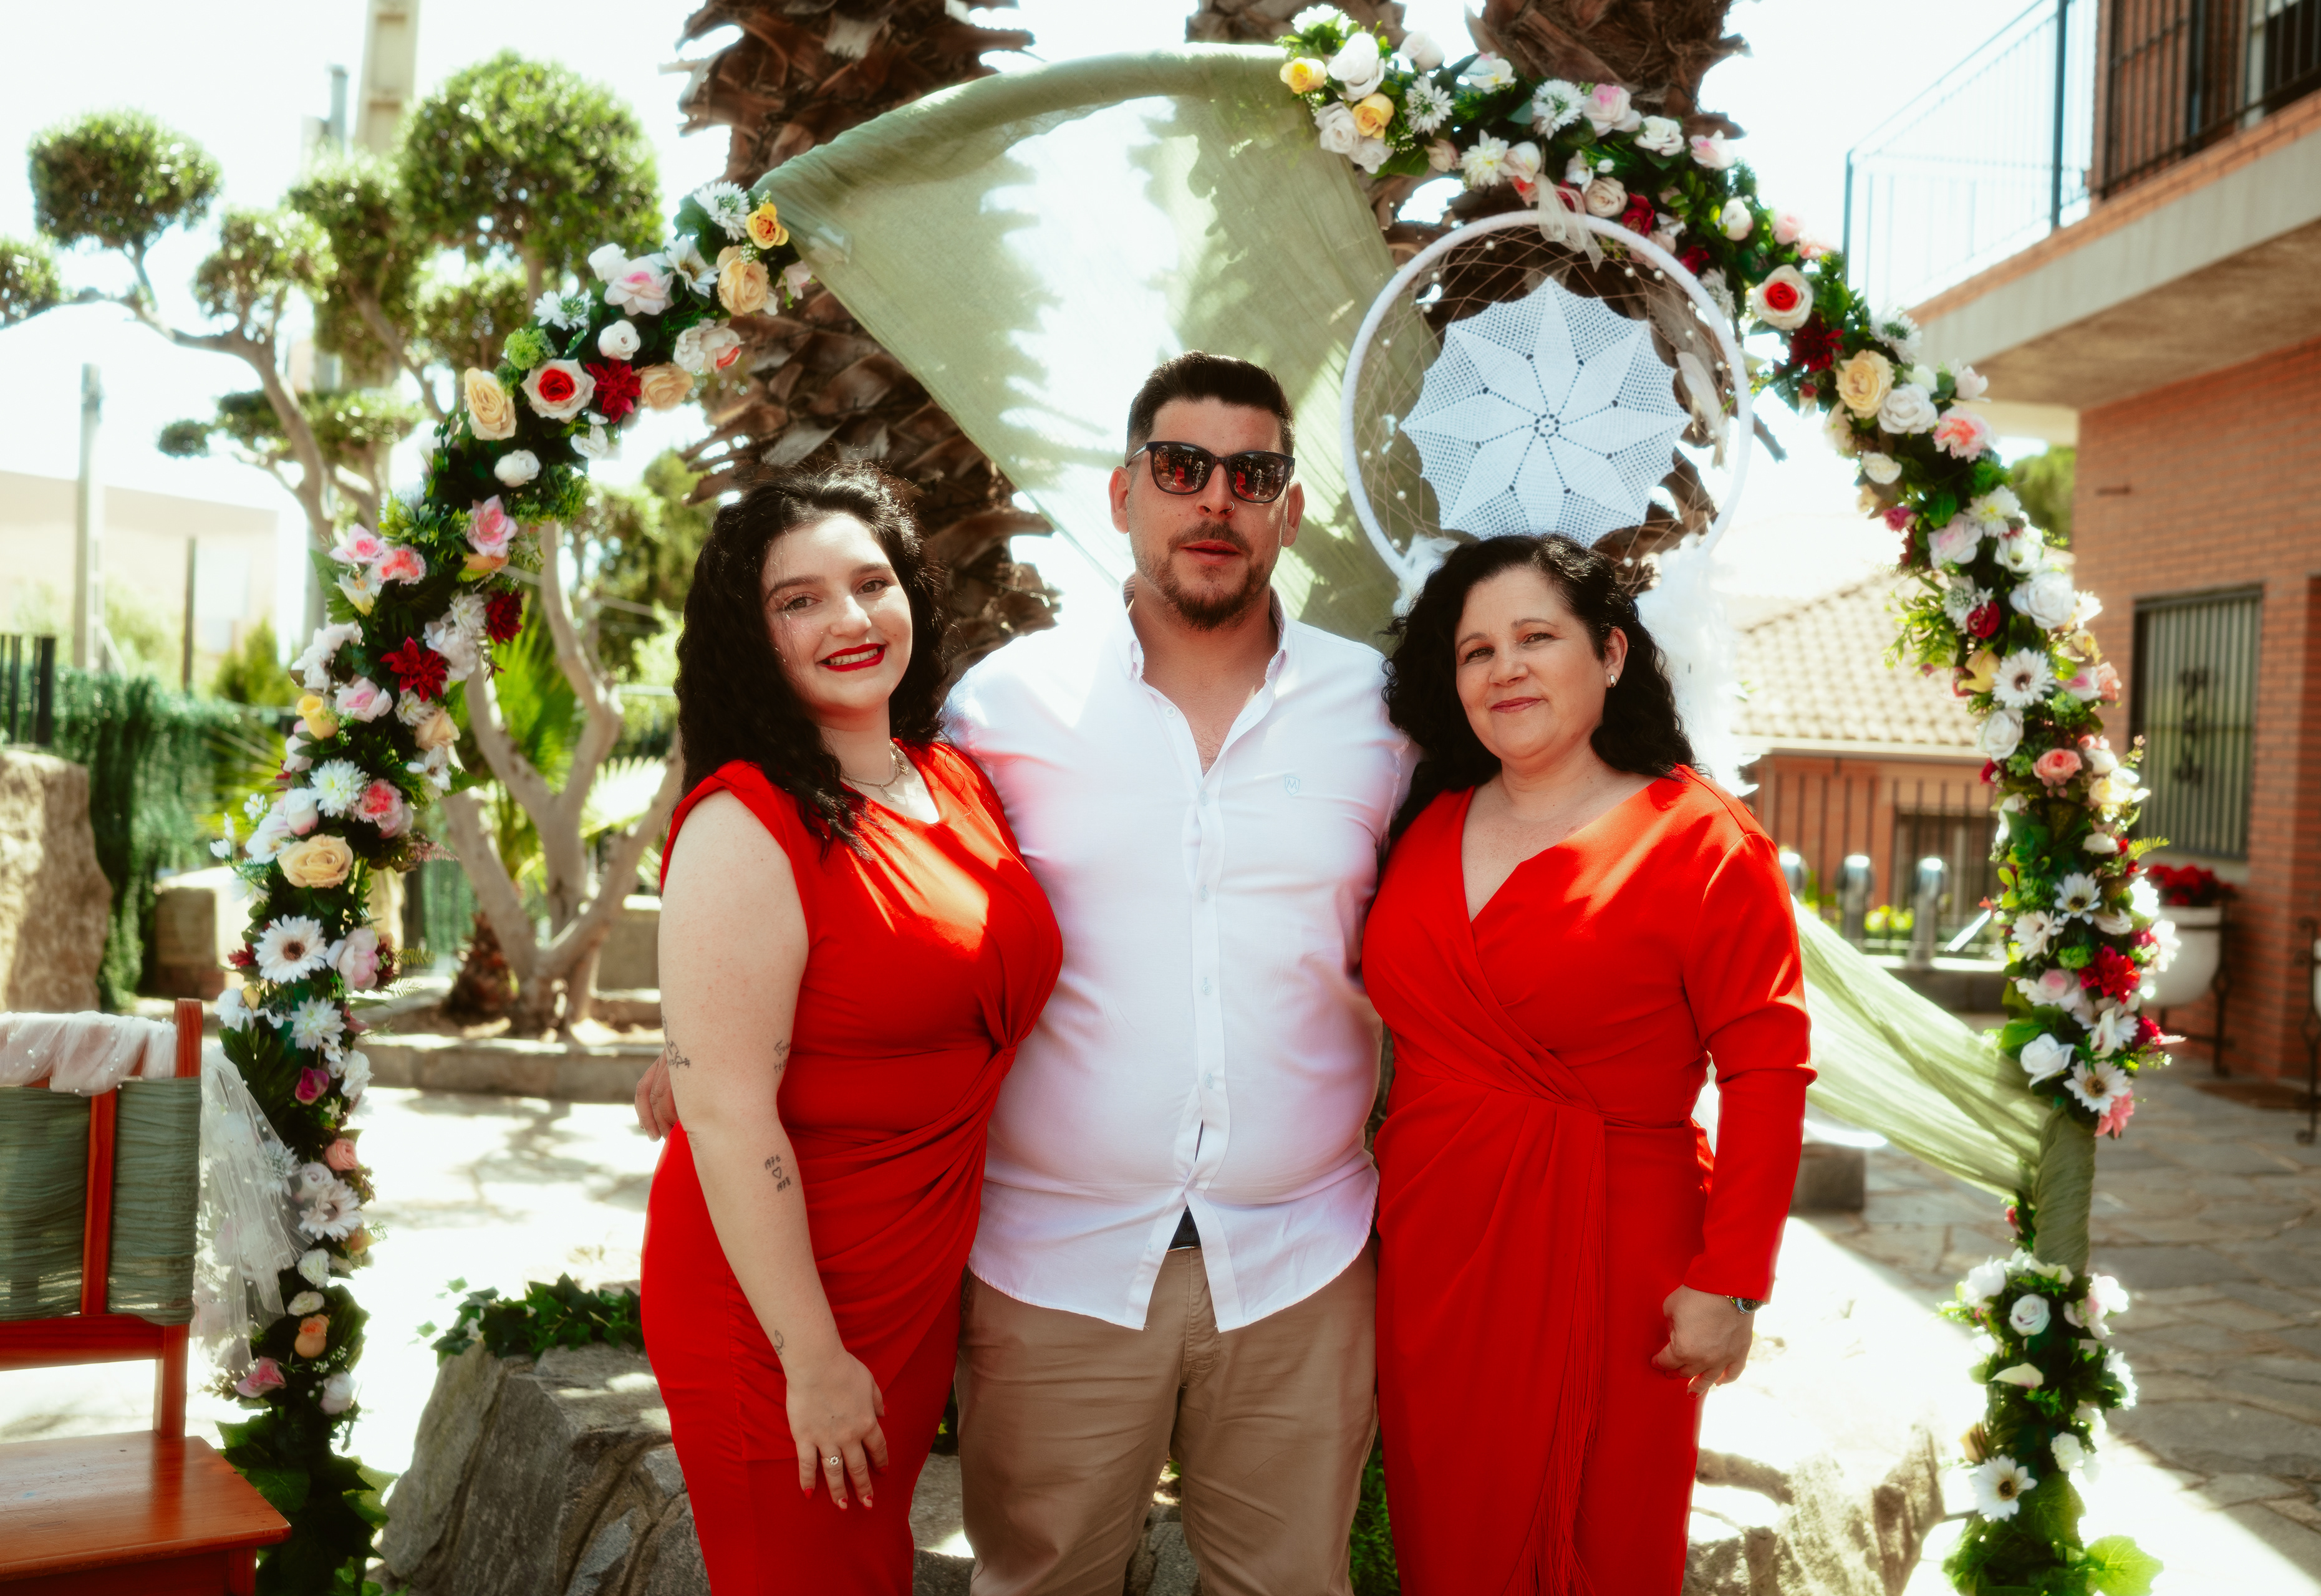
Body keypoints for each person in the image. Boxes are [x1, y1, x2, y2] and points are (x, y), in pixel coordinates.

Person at [639, 352, 1407, 1594]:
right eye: (1181, 468)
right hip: (1057, 1263)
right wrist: (705, 1043)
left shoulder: (1382, 712)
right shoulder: (1004, 707)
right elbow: (823, 885)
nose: (1216, 498)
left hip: (1300, 1260)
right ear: (1122, 494)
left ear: (1291, 508)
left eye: (1253, 473)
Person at [1359, 534, 1812, 1594]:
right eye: (1476, 651)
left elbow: (1768, 1071)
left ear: (1610, 654)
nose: (1504, 669)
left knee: (1602, 1544)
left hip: (1615, 1260)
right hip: (1432, 1262)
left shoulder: (1700, 840)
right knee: (1448, 1545)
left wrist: (1732, 1282)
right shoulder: (1426, 825)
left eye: (1535, 638)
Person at [637, 466, 1061, 1595]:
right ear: (753, 635)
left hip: (914, 1273)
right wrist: (813, 1357)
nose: (850, 618)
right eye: (801, 600)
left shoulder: (952, 779)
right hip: (784, 1306)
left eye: (872, 583)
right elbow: (729, 1117)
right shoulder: (746, 820)